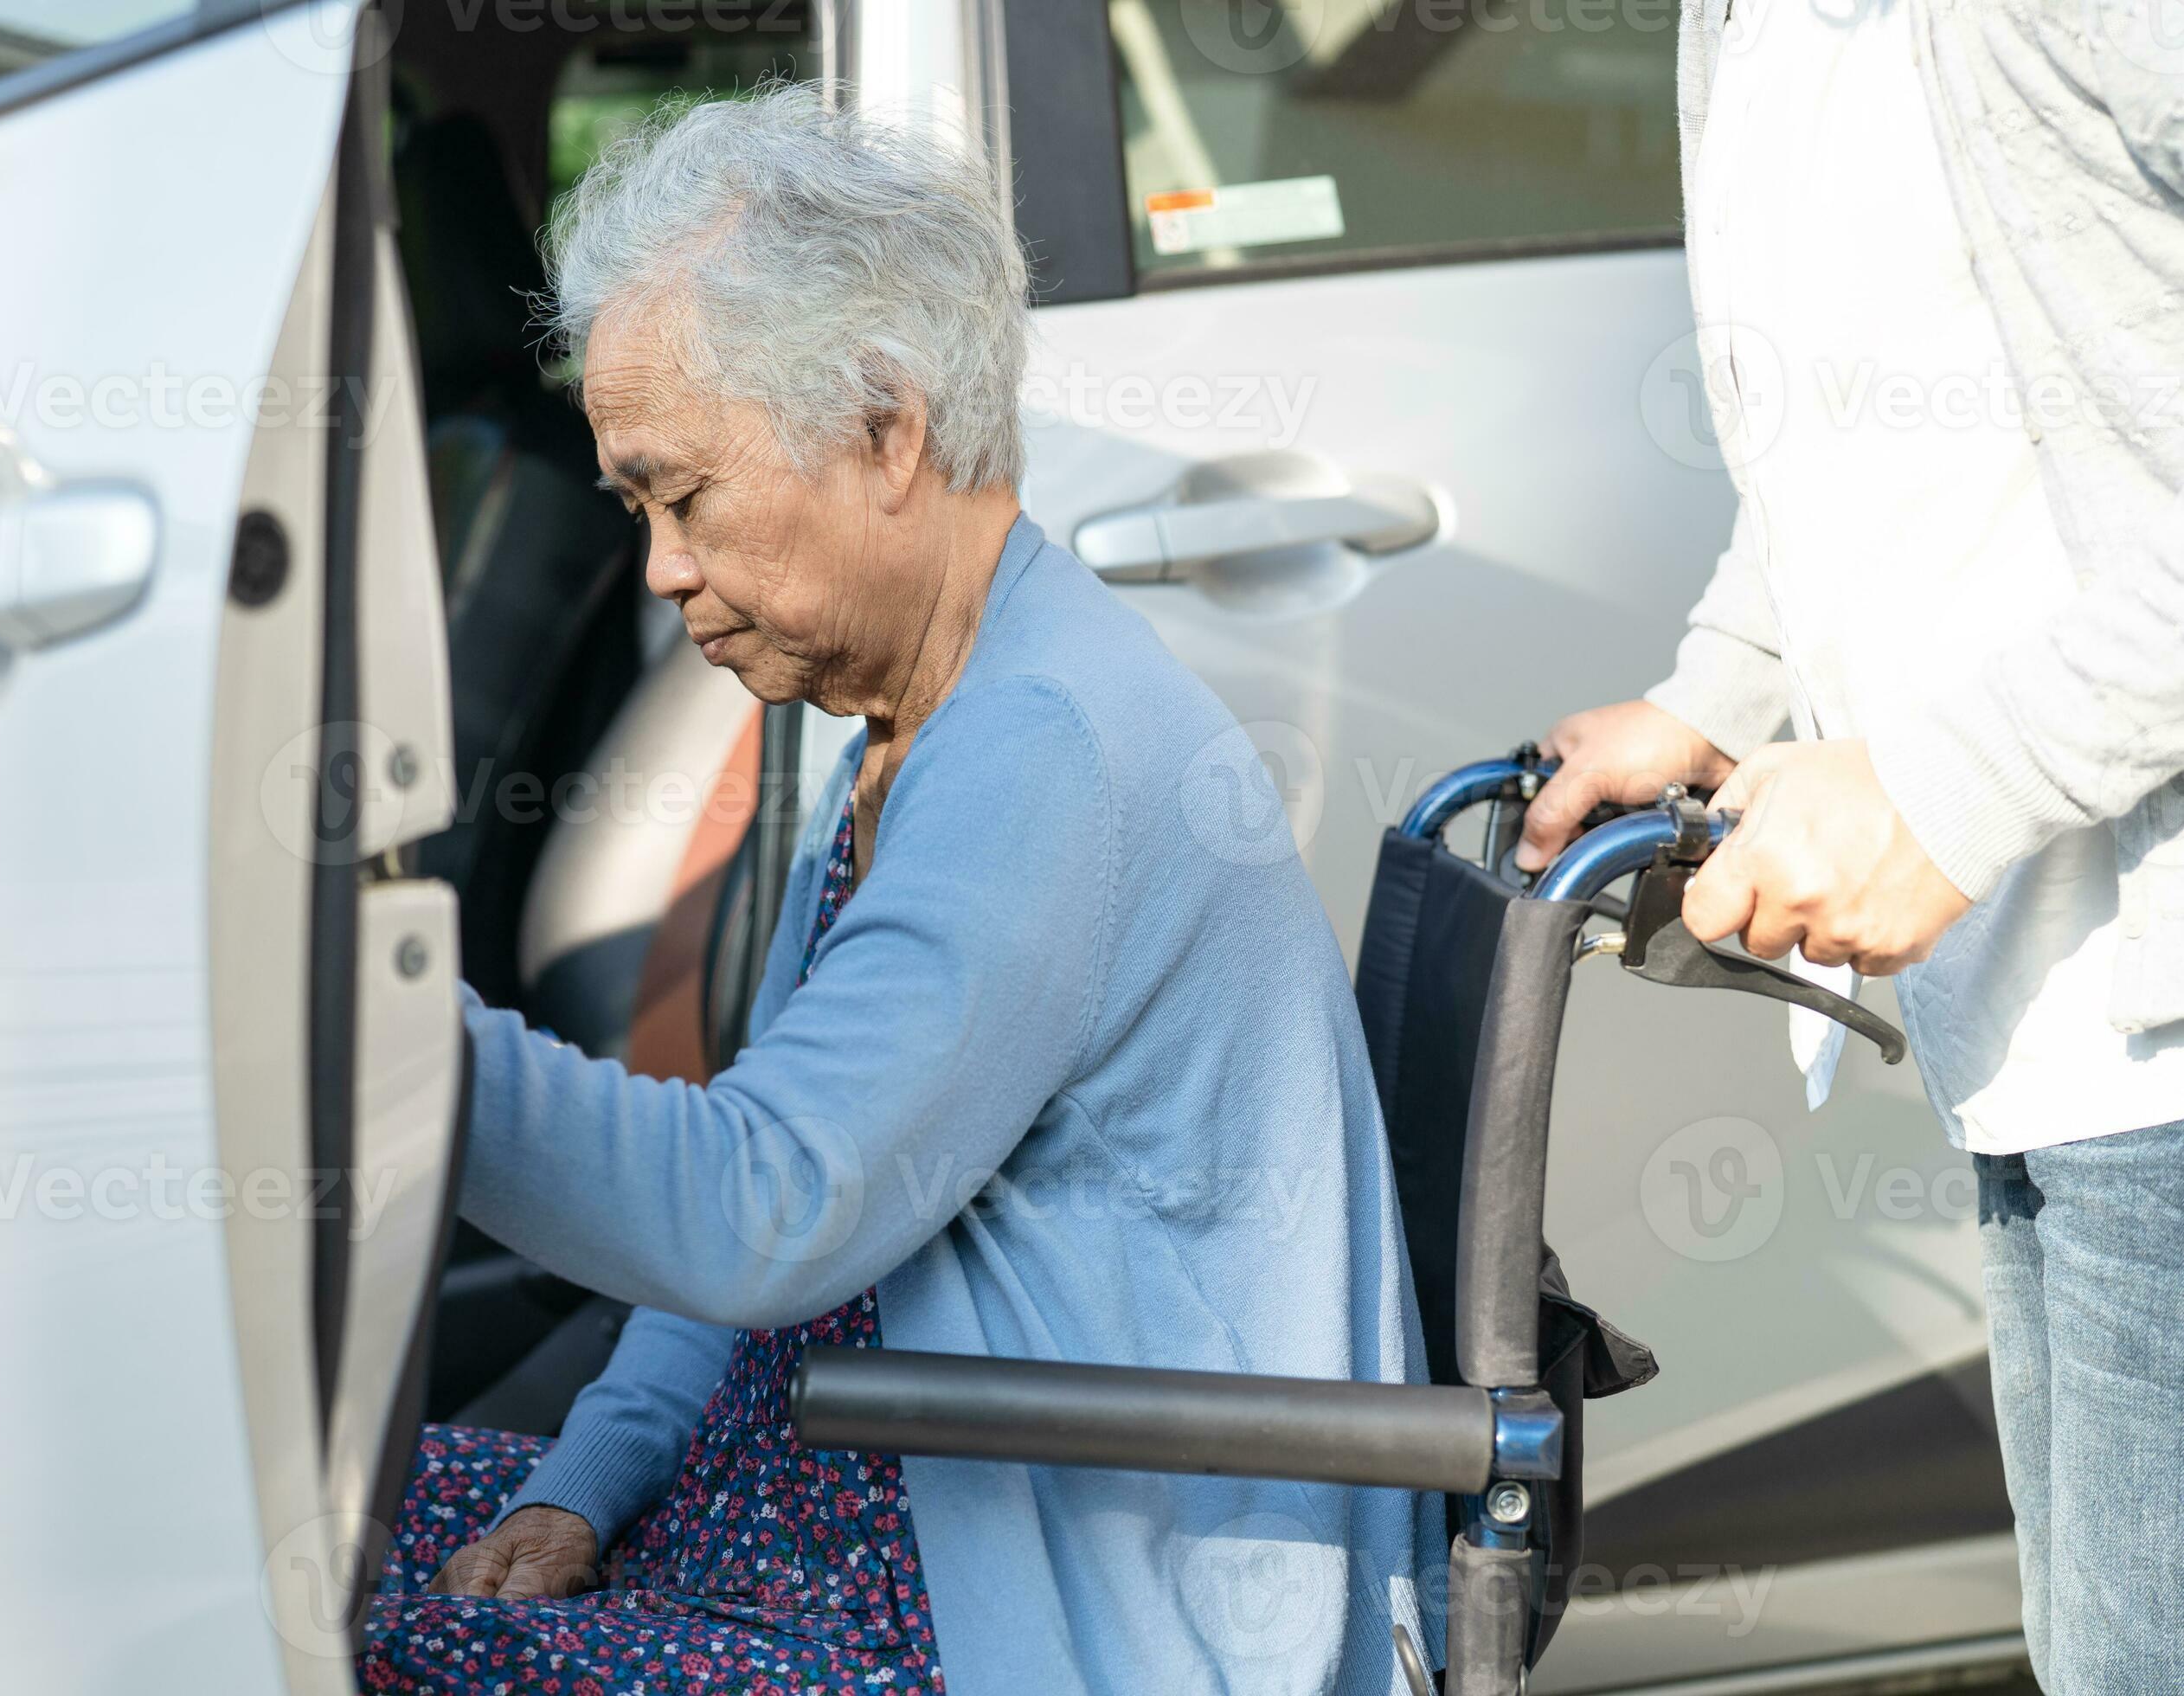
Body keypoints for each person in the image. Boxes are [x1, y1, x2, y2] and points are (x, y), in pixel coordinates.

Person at [358, 87, 1446, 1696]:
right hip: (854, 1504)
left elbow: (757, 1210)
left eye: (686, 496)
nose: (659, 567)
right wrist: (582, 1480)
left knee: (315, 1617)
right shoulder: (922, 723)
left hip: (1051, 1593)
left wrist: (369, 1029)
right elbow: (767, 1198)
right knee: (306, 1542)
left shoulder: (1040, 753)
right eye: (638, 509)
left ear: (886, 430)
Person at [1514, 5, 2184, 1689]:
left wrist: (1944, 790)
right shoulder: (1739, 27)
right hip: (2045, 1021)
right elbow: (1865, 431)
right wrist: (1726, 690)